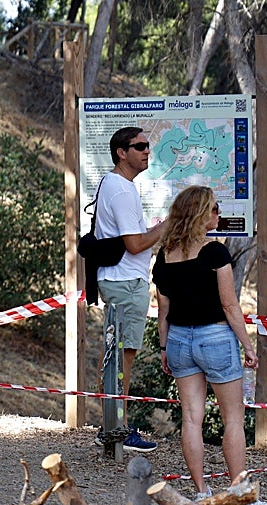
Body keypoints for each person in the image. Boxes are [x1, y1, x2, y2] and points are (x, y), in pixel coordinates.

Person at [153, 185, 267, 505]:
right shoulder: (215, 252)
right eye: (214, 209)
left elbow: (163, 308)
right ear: (200, 214)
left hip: (178, 339)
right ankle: (238, 491)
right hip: (216, 338)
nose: (218, 214)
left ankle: (202, 491)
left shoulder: (165, 255)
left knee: (192, 419)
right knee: (233, 418)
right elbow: (230, 306)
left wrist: (164, 347)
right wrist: (248, 346)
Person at [93, 126, 166, 453]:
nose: (146, 151)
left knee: (116, 357)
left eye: (147, 146)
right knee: (123, 359)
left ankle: (110, 425)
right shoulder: (121, 190)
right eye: (139, 146)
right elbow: (135, 244)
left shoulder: (116, 185)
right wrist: (164, 228)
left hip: (120, 280)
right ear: (122, 152)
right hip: (124, 282)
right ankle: (116, 428)